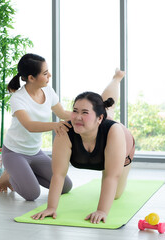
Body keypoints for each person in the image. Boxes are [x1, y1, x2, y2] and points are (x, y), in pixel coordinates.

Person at [31, 69, 135, 224]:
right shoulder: (65, 131)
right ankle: (114, 81)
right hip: (98, 123)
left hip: (123, 146)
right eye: (75, 111)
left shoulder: (114, 132)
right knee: (104, 109)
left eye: (84, 112)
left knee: (116, 195)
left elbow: (111, 176)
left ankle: (117, 79)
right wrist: (51, 207)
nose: (77, 117)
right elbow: (58, 174)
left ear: (99, 119)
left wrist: (101, 211)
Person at [0, 53, 73, 201]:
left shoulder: (48, 92)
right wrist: (55, 125)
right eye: (45, 73)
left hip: (35, 152)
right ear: (31, 78)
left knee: (65, 186)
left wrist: (85, 116)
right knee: (32, 194)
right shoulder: (18, 98)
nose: (49, 75)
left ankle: (22, 171)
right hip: (14, 153)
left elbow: (62, 113)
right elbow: (29, 126)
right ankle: (9, 175)